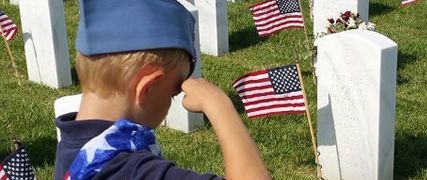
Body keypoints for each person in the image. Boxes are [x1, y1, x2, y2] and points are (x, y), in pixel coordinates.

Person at [54, 0, 270, 179]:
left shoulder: (71, 147)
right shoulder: (133, 171)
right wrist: (219, 105)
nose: (173, 101)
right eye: (173, 92)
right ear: (146, 88)